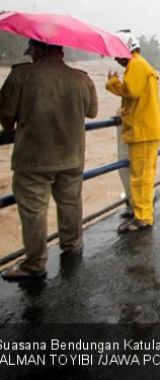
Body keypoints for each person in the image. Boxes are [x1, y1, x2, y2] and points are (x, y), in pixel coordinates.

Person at [0, 39, 98, 281]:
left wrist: (11, 131)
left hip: (34, 159)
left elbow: (5, 113)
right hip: (72, 157)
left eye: (32, 50)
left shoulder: (20, 76)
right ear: (61, 51)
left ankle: (34, 264)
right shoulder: (82, 79)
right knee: (71, 203)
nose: (31, 54)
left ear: (41, 49)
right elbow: (92, 112)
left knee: (34, 210)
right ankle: (73, 244)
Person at [105, 30, 160, 233]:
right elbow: (137, 98)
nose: (115, 57)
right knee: (144, 175)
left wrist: (113, 83)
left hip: (143, 130)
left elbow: (131, 90)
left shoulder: (136, 65)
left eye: (116, 52)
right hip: (146, 128)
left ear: (126, 49)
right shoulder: (141, 64)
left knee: (141, 176)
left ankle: (143, 217)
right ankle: (143, 212)